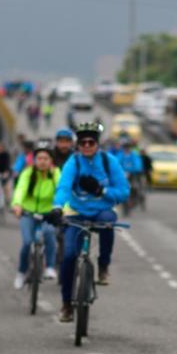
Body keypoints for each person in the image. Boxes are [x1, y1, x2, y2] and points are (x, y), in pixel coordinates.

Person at [52, 121, 130, 322]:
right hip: (76, 212)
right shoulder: (74, 162)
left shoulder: (108, 161)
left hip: (102, 211)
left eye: (91, 142)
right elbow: (63, 187)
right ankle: (66, 304)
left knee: (107, 224)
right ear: (77, 144)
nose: (87, 146)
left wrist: (102, 191)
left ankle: (103, 266)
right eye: (83, 142)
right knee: (69, 256)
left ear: (97, 143)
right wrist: (57, 207)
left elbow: (123, 191)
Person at [11, 142, 60, 288]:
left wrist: (61, 208)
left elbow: (61, 191)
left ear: (51, 160)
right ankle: (21, 272)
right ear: (34, 159)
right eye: (39, 158)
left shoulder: (55, 173)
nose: (42, 161)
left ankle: (50, 267)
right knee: (27, 242)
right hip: (28, 212)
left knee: (50, 233)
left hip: (48, 213)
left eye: (46, 158)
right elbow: (20, 189)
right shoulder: (28, 172)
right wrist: (17, 205)